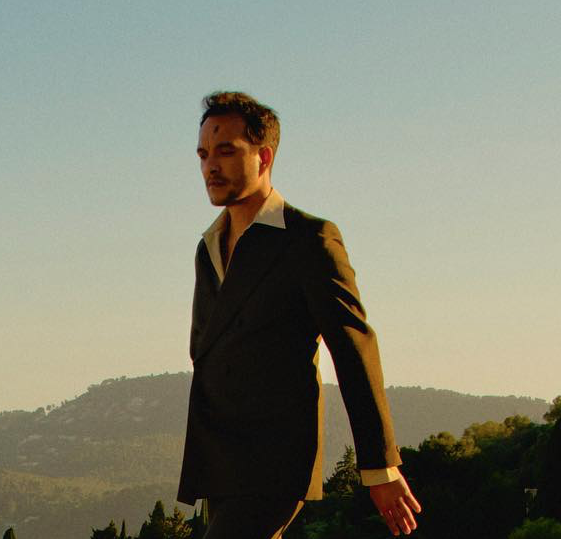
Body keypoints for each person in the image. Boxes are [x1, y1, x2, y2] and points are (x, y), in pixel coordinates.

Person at [177, 91, 422, 538]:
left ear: (264, 156)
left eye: (226, 151)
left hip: (275, 462)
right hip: (220, 461)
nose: (211, 166)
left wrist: (380, 466)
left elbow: (353, 349)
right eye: (203, 154)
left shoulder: (309, 239)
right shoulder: (208, 247)